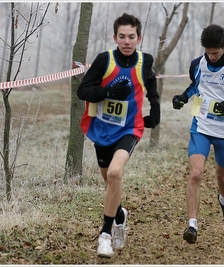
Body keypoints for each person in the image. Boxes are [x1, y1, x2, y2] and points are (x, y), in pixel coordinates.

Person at [77, 13, 160, 258]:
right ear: (115, 37)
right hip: (103, 130)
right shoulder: (105, 60)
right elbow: (83, 91)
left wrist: (155, 109)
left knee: (115, 173)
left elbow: (151, 86)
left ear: (139, 38)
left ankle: (105, 235)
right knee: (109, 181)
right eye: (122, 36)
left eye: (131, 37)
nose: (126, 41)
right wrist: (107, 91)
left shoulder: (145, 61)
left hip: (129, 128)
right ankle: (120, 214)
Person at [172, 24, 224, 244]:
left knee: (222, 177)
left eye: (215, 53)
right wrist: (182, 97)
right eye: (208, 53)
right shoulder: (197, 64)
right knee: (196, 174)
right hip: (200, 126)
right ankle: (192, 225)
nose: (211, 57)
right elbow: (195, 85)